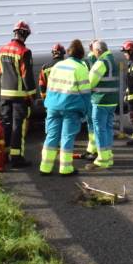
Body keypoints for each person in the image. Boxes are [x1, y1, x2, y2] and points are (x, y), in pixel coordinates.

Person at [40, 39, 90, 176]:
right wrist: (87, 111)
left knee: (51, 136)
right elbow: (86, 94)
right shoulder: (81, 68)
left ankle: (45, 167)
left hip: (53, 106)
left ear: (68, 53)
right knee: (67, 138)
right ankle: (66, 168)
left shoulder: (58, 66)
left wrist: (48, 105)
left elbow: (48, 87)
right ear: (81, 55)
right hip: (71, 107)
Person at [0, 20, 36, 167]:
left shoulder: (2, 50)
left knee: (6, 124)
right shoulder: (24, 52)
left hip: (5, 94)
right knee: (17, 126)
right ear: (24, 34)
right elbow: (26, 75)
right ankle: (17, 157)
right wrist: (32, 95)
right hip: (19, 96)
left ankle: (5, 154)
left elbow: (0, 72)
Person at [87, 40, 119, 170]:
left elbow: (90, 82)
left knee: (99, 130)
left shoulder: (101, 63)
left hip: (100, 101)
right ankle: (108, 156)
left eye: (93, 51)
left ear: (98, 51)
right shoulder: (112, 60)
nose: (93, 53)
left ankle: (102, 159)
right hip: (112, 101)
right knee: (108, 128)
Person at [81, 40, 99, 160]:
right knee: (97, 124)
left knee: (91, 124)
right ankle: (93, 149)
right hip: (99, 97)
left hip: (88, 96)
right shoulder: (101, 61)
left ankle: (93, 150)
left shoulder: (85, 62)